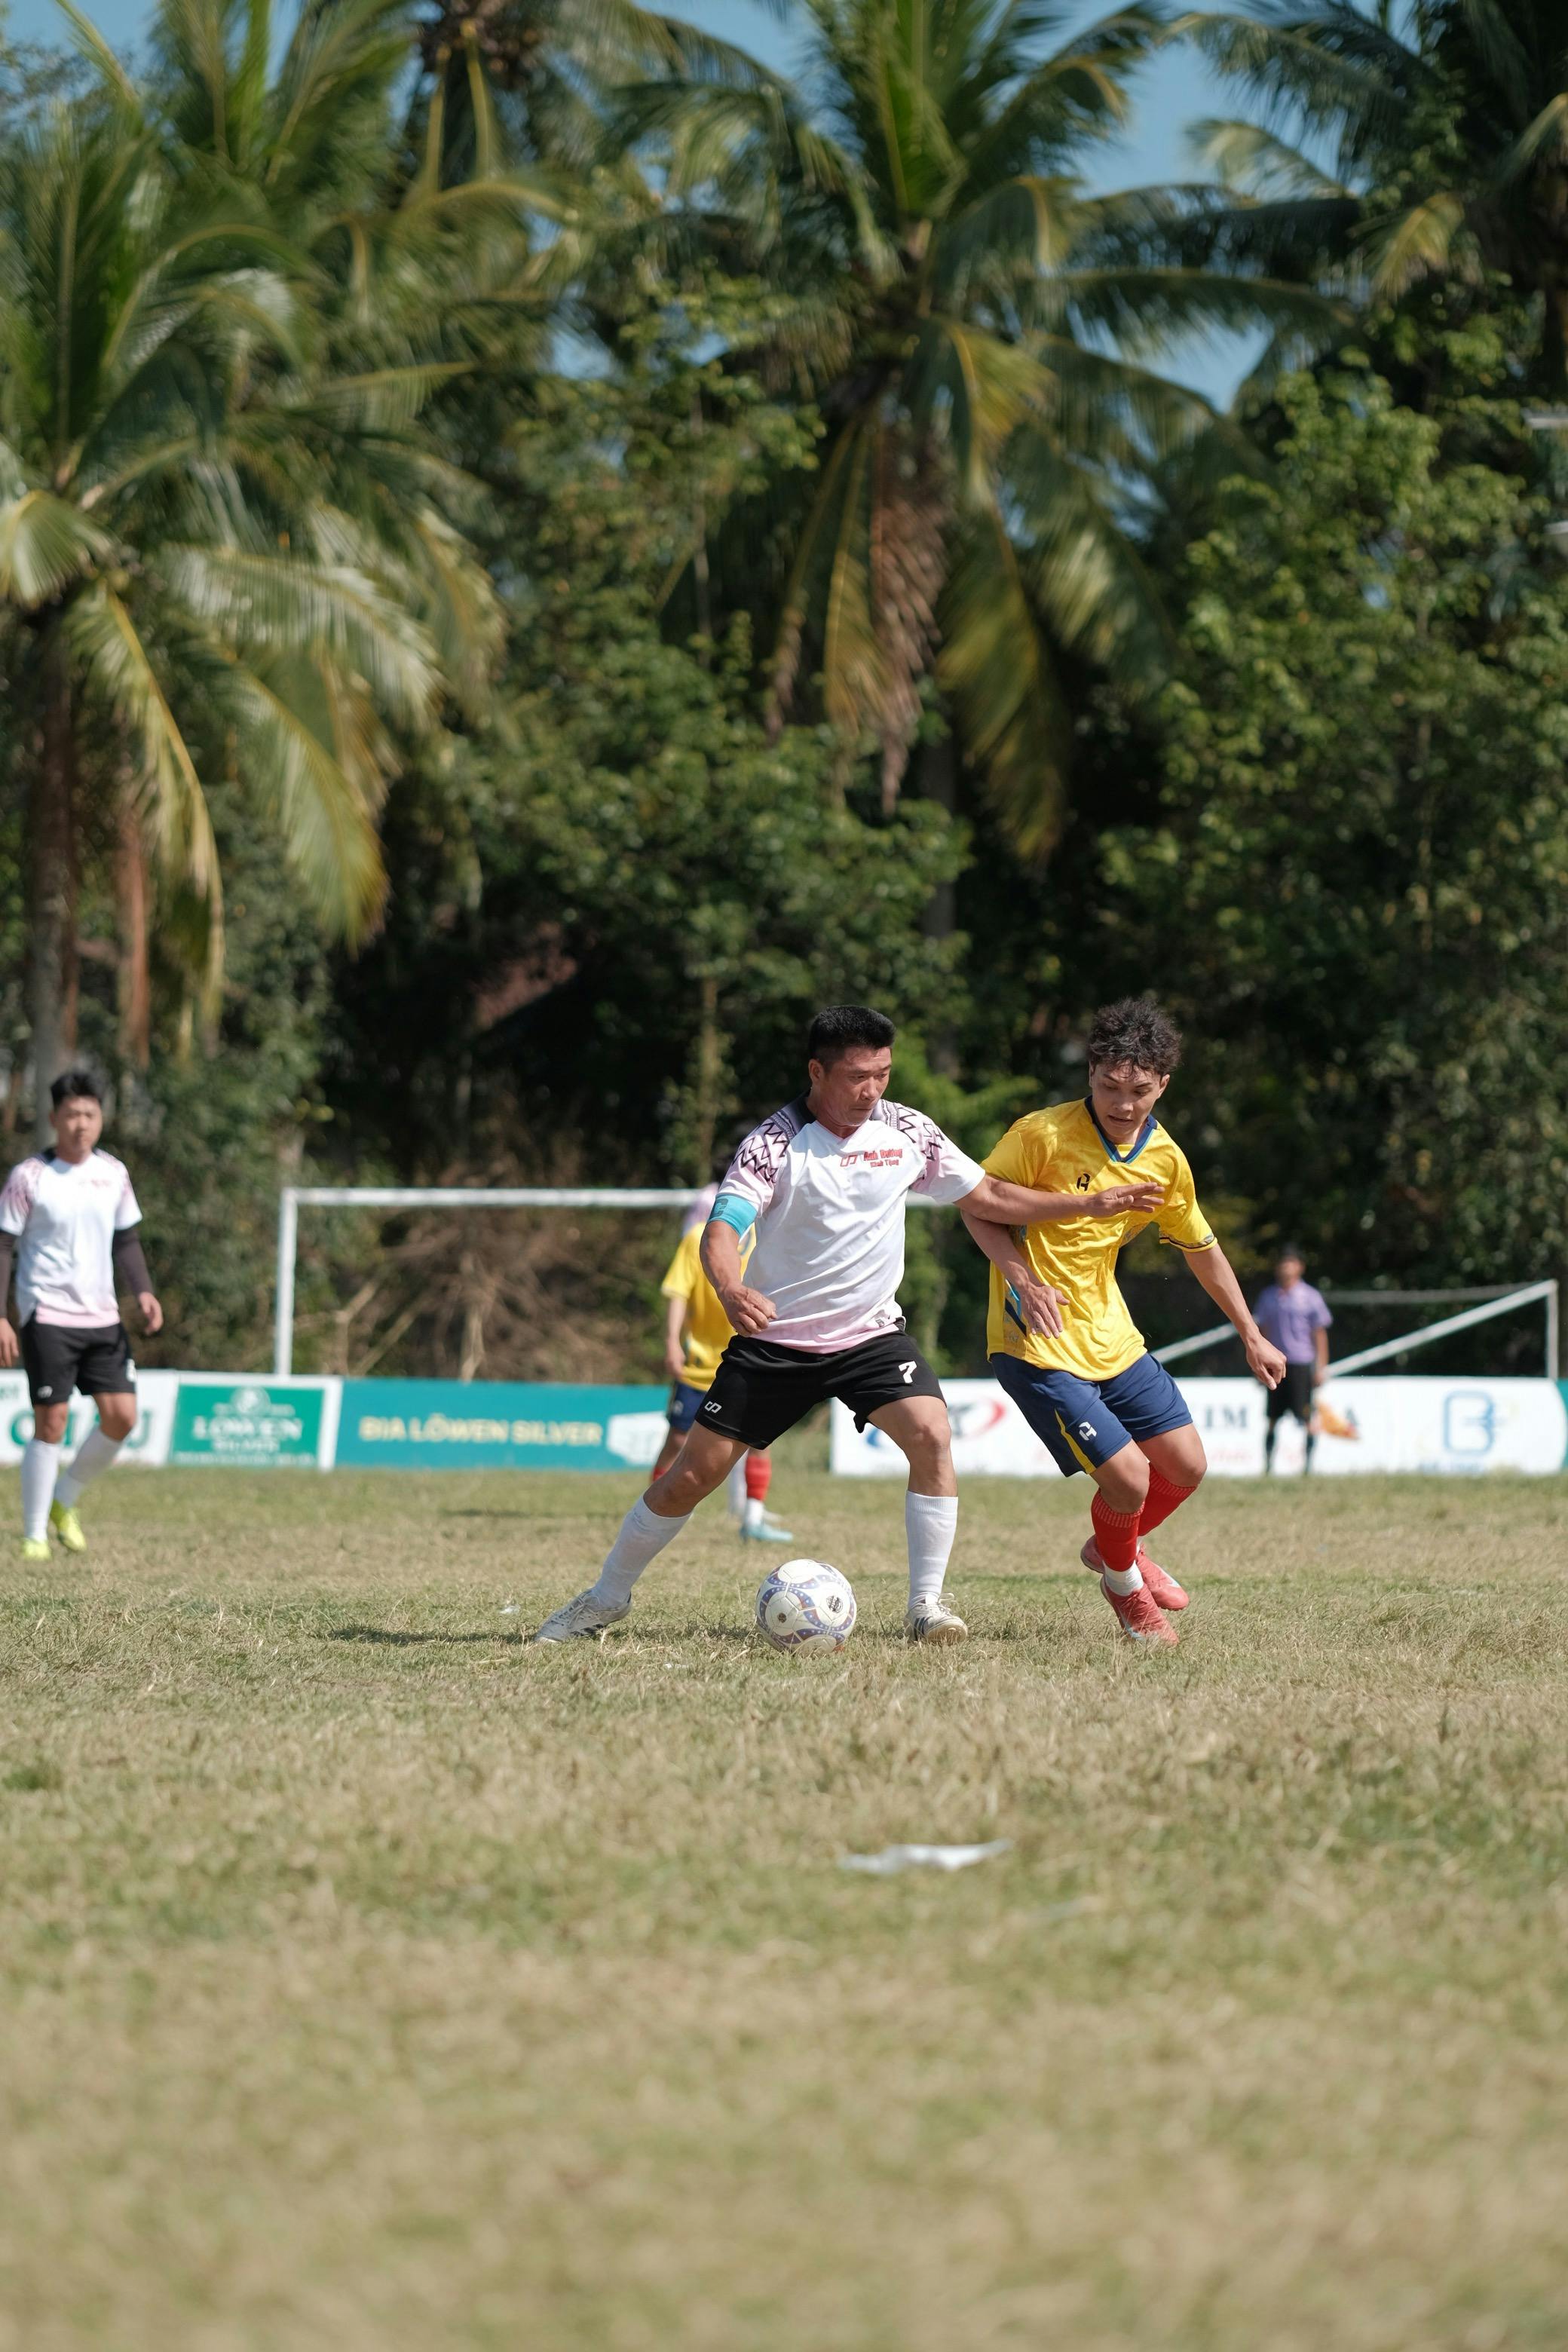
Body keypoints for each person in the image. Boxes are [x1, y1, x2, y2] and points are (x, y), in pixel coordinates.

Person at [532, 1004, 1164, 1645]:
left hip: (870, 1338)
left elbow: (991, 1198)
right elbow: (721, 1229)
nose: (872, 1091)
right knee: (689, 1478)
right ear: (817, 1070)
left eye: (883, 1075)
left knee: (932, 1435)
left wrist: (1088, 1202)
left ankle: (927, 1608)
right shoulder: (773, 1144)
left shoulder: (909, 1133)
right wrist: (729, 1286)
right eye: (858, 1077)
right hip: (778, 1343)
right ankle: (605, 1600)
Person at [961, 997, 1286, 1647]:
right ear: (1090, 1076)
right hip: (1038, 1342)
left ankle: (1113, 1546)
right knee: (1130, 1477)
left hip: (1112, 1337)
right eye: (1110, 1087)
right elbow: (979, 1204)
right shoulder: (1042, 1135)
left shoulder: (1166, 1160)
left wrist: (1251, 1332)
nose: (1123, 1103)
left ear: (1163, 1084)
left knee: (1186, 1467)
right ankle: (1125, 1589)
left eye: (1139, 1090)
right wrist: (1023, 1279)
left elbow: (1202, 1247)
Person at [0, 1070, 164, 1560]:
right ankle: (33, 1534)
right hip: (47, 1313)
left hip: (103, 1316)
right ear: (54, 1119)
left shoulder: (113, 1172)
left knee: (122, 1416)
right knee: (52, 1422)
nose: (80, 1123)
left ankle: (63, 1499)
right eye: (71, 1114)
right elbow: (4, 1245)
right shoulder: (29, 1176)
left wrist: (145, 1292)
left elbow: (127, 1239)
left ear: (101, 1119)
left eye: (89, 1114)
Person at [654, 1212, 794, 1542]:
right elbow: (677, 1292)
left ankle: (753, 1519)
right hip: (700, 1361)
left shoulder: (768, 1237)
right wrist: (672, 1341)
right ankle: (655, 1512)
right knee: (677, 1440)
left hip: (751, 1357)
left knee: (761, 1438)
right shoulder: (698, 1238)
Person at [1254, 1248, 1331, 1473]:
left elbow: (1319, 1333)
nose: (1285, 1267)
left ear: (1300, 1267)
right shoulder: (1269, 1297)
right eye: (1282, 1263)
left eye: (1291, 1262)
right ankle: (1268, 1467)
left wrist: (1321, 1366)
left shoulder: (1310, 1297)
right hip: (1276, 1363)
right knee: (1272, 1418)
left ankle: (1308, 1467)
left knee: (1307, 1417)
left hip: (1300, 1364)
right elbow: (1262, 1331)